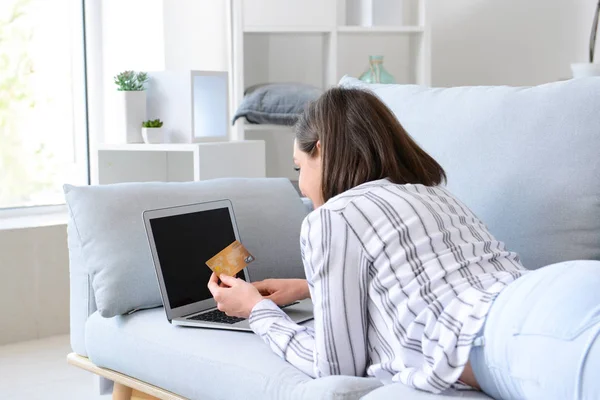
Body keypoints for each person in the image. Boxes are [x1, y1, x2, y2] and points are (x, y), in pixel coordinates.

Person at [207, 87, 600, 399]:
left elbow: (334, 366)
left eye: (299, 168)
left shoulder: (332, 216)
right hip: (558, 290)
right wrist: (312, 288)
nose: (303, 186)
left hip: (527, 335)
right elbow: (429, 284)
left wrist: (255, 309)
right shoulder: (435, 194)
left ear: (321, 150)